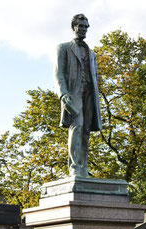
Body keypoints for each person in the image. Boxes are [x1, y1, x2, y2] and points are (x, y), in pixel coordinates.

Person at [55, 14, 102, 178]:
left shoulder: (92, 53)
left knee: (86, 130)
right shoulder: (63, 48)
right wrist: (63, 93)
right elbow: (59, 74)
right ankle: (74, 167)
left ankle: (83, 167)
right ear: (74, 27)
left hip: (90, 93)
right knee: (77, 126)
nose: (83, 29)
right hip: (73, 93)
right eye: (80, 26)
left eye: (85, 27)